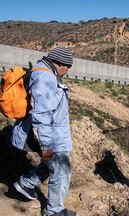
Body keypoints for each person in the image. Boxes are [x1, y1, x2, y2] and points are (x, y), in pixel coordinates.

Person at [11, 47, 76, 216]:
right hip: (49, 136)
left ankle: (25, 184)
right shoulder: (46, 77)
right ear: (60, 63)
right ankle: (54, 211)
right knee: (61, 167)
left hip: (54, 134)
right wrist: (46, 145)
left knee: (53, 164)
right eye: (67, 66)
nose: (67, 71)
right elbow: (41, 114)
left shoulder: (48, 74)